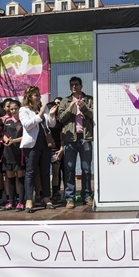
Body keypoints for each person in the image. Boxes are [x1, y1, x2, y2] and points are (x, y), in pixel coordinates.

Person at [19, 86, 57, 213]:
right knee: (31, 172)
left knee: (46, 171)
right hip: (32, 145)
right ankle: (29, 199)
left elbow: (52, 125)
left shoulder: (44, 108)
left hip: (45, 143)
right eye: (36, 95)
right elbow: (27, 125)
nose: (39, 97)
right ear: (29, 97)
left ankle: (46, 198)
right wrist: (40, 114)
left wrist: (50, 115)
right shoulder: (23, 110)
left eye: (39, 94)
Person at [58, 77, 94, 209]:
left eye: (76, 84)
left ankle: (87, 196)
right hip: (70, 139)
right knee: (69, 169)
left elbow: (94, 115)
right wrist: (69, 109)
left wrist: (84, 108)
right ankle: (70, 198)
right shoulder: (65, 101)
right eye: (72, 85)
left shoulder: (89, 99)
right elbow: (60, 118)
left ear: (81, 86)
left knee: (86, 169)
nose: (74, 87)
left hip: (85, 138)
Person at [1, 100, 25, 211]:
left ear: (20, 108)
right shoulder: (7, 121)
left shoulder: (23, 120)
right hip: (8, 152)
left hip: (20, 152)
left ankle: (21, 201)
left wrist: (13, 140)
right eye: (11, 109)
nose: (13, 111)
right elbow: (4, 134)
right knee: (10, 177)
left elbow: (26, 136)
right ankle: (11, 201)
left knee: (20, 177)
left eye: (15, 108)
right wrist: (7, 140)